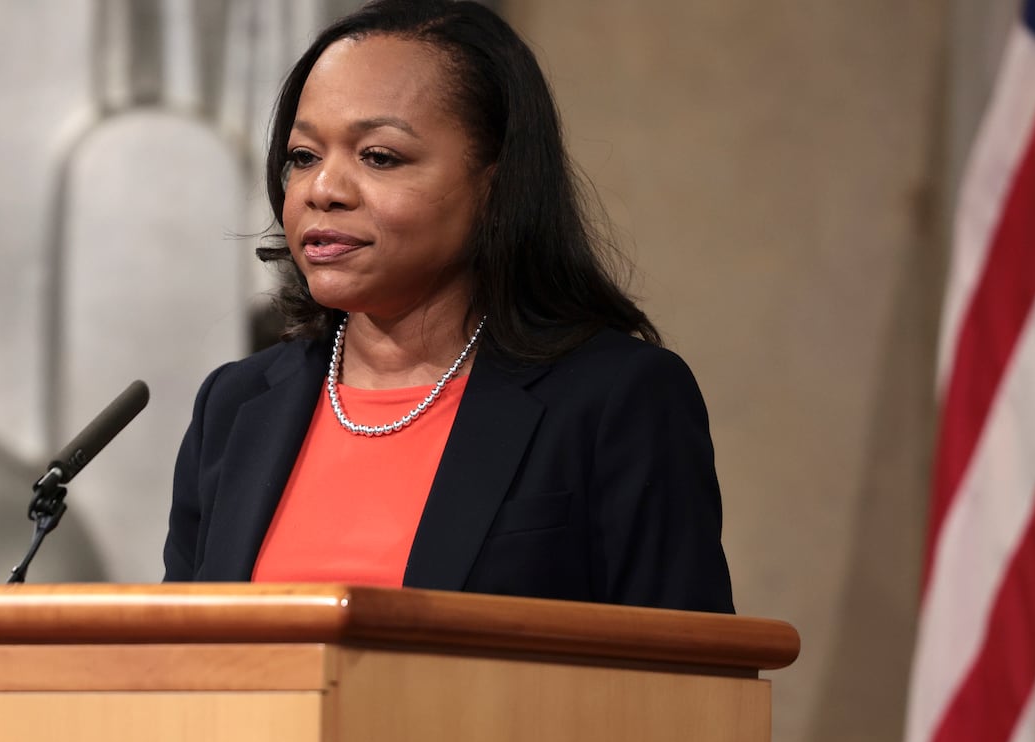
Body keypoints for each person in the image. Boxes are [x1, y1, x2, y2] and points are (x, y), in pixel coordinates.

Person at [162, 0, 733, 613]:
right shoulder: (236, 405)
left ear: (495, 182)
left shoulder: (615, 401)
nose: (322, 190)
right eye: (303, 157)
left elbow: (689, 680)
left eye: (379, 156)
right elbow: (181, 667)